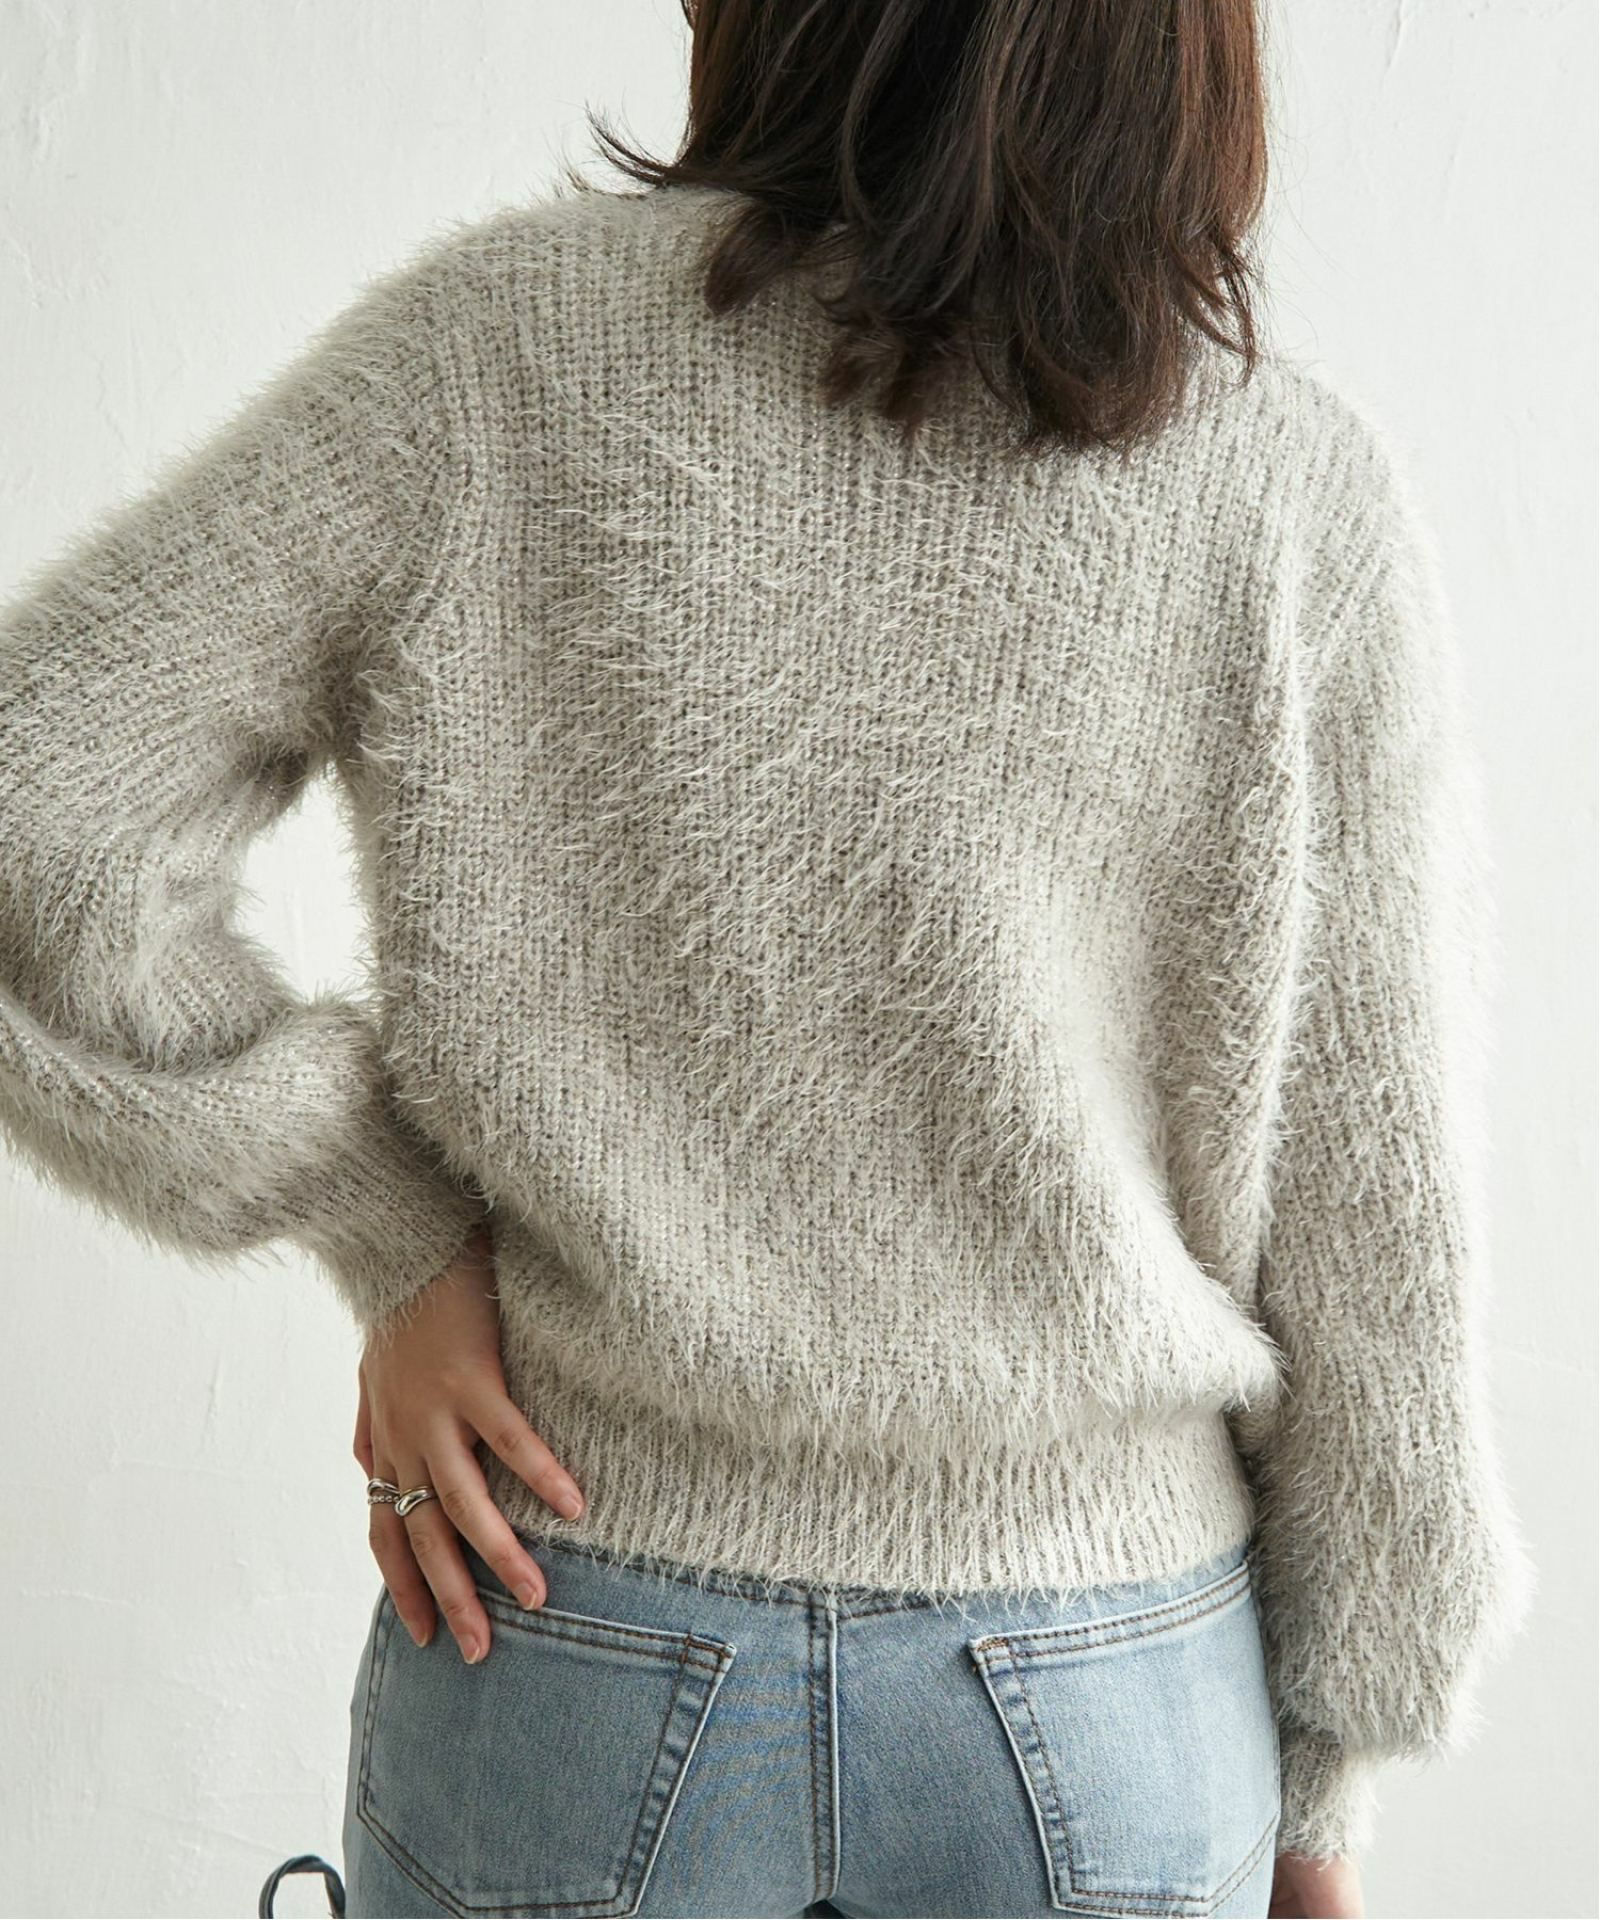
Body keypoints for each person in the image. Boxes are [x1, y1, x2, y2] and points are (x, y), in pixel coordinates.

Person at [0, 3, 1536, 1917]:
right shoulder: (1292, 492)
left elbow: (37, 818)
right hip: (1111, 1694)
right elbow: (1375, 1205)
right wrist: (1329, 1784)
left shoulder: (493, 361)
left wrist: (389, 1234)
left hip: (563, 1616)